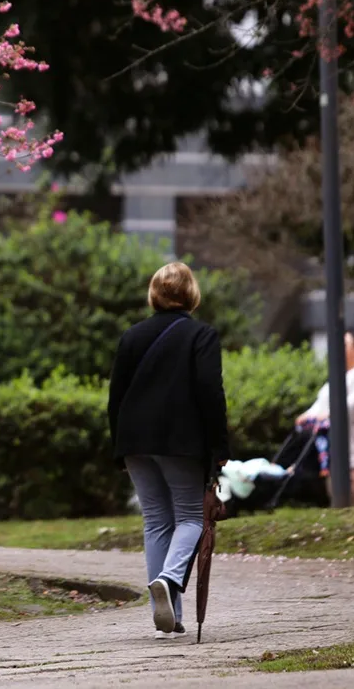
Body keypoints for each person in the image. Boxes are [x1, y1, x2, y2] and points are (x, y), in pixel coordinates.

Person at [108, 262, 229, 640]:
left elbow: (116, 397)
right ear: (191, 294)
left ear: (154, 294)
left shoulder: (132, 336)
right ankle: (170, 578)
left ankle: (168, 617)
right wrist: (219, 446)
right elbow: (211, 393)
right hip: (181, 441)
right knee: (191, 518)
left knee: (156, 521)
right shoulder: (201, 335)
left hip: (135, 441)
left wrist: (120, 447)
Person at [297, 330, 354, 507]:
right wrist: (308, 415)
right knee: (336, 489)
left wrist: (329, 414)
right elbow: (322, 402)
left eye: (344, 344)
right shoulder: (338, 376)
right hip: (337, 446)